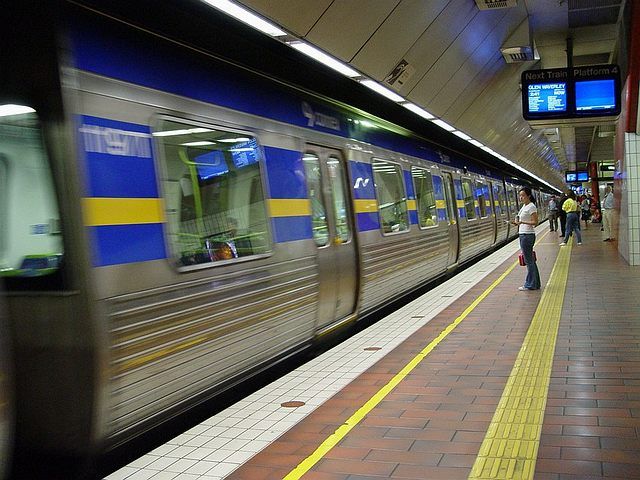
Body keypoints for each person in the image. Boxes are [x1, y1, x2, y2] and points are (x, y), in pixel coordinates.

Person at [512, 187, 540, 291]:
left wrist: (523, 222)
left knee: (529, 261)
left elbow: (535, 222)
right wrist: (516, 223)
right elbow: (521, 220)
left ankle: (530, 284)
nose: (521, 197)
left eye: (523, 195)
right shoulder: (524, 206)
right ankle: (535, 283)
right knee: (530, 260)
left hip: (527, 235)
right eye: (520, 195)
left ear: (528, 196)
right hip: (523, 234)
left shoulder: (531, 207)